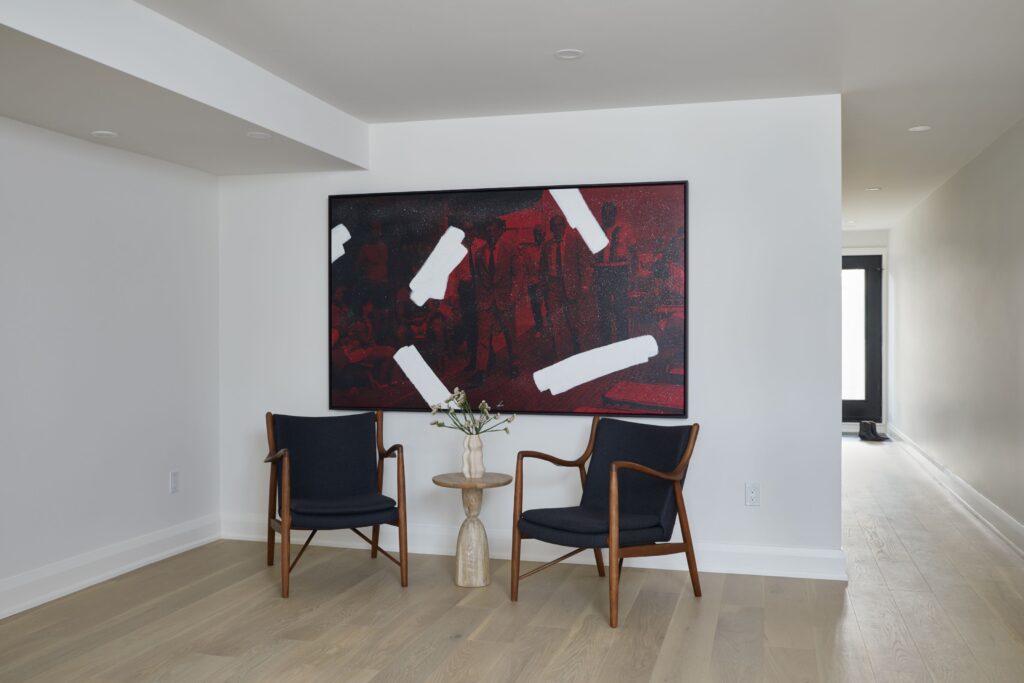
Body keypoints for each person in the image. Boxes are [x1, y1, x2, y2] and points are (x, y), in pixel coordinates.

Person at [469, 217, 524, 386]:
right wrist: (479, 298)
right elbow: (478, 278)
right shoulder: (480, 252)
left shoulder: (510, 249)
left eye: (493, 229)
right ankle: (481, 371)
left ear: (500, 230)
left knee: (509, 334)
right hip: (486, 301)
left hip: (504, 300)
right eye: (487, 230)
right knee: (483, 336)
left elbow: (518, 275)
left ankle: (514, 364)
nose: (490, 232)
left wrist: (513, 297)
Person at [541, 215, 590, 356]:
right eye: (554, 226)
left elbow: (583, 264)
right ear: (551, 228)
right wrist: (544, 288)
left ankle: (578, 351)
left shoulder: (574, 242)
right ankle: (559, 356)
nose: (557, 228)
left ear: (564, 226)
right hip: (553, 287)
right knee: (556, 324)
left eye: (559, 225)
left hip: (570, 286)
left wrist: (584, 285)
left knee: (573, 322)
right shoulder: (547, 246)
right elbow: (543, 269)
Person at [593, 201, 637, 343]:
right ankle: (606, 343)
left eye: (610, 212)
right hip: (601, 270)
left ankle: (623, 341)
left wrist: (634, 273)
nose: (607, 216)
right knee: (604, 310)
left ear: (615, 213)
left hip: (619, 270)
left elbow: (633, 251)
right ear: (602, 214)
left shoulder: (625, 228)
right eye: (605, 213)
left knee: (620, 308)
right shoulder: (597, 229)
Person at [520, 225, 546, 336]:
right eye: (537, 233)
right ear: (534, 235)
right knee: (535, 307)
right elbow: (524, 268)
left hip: (546, 282)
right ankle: (539, 328)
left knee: (549, 305)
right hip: (533, 282)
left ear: (544, 235)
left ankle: (549, 327)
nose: (539, 236)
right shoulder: (528, 250)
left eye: (541, 233)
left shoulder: (548, 247)